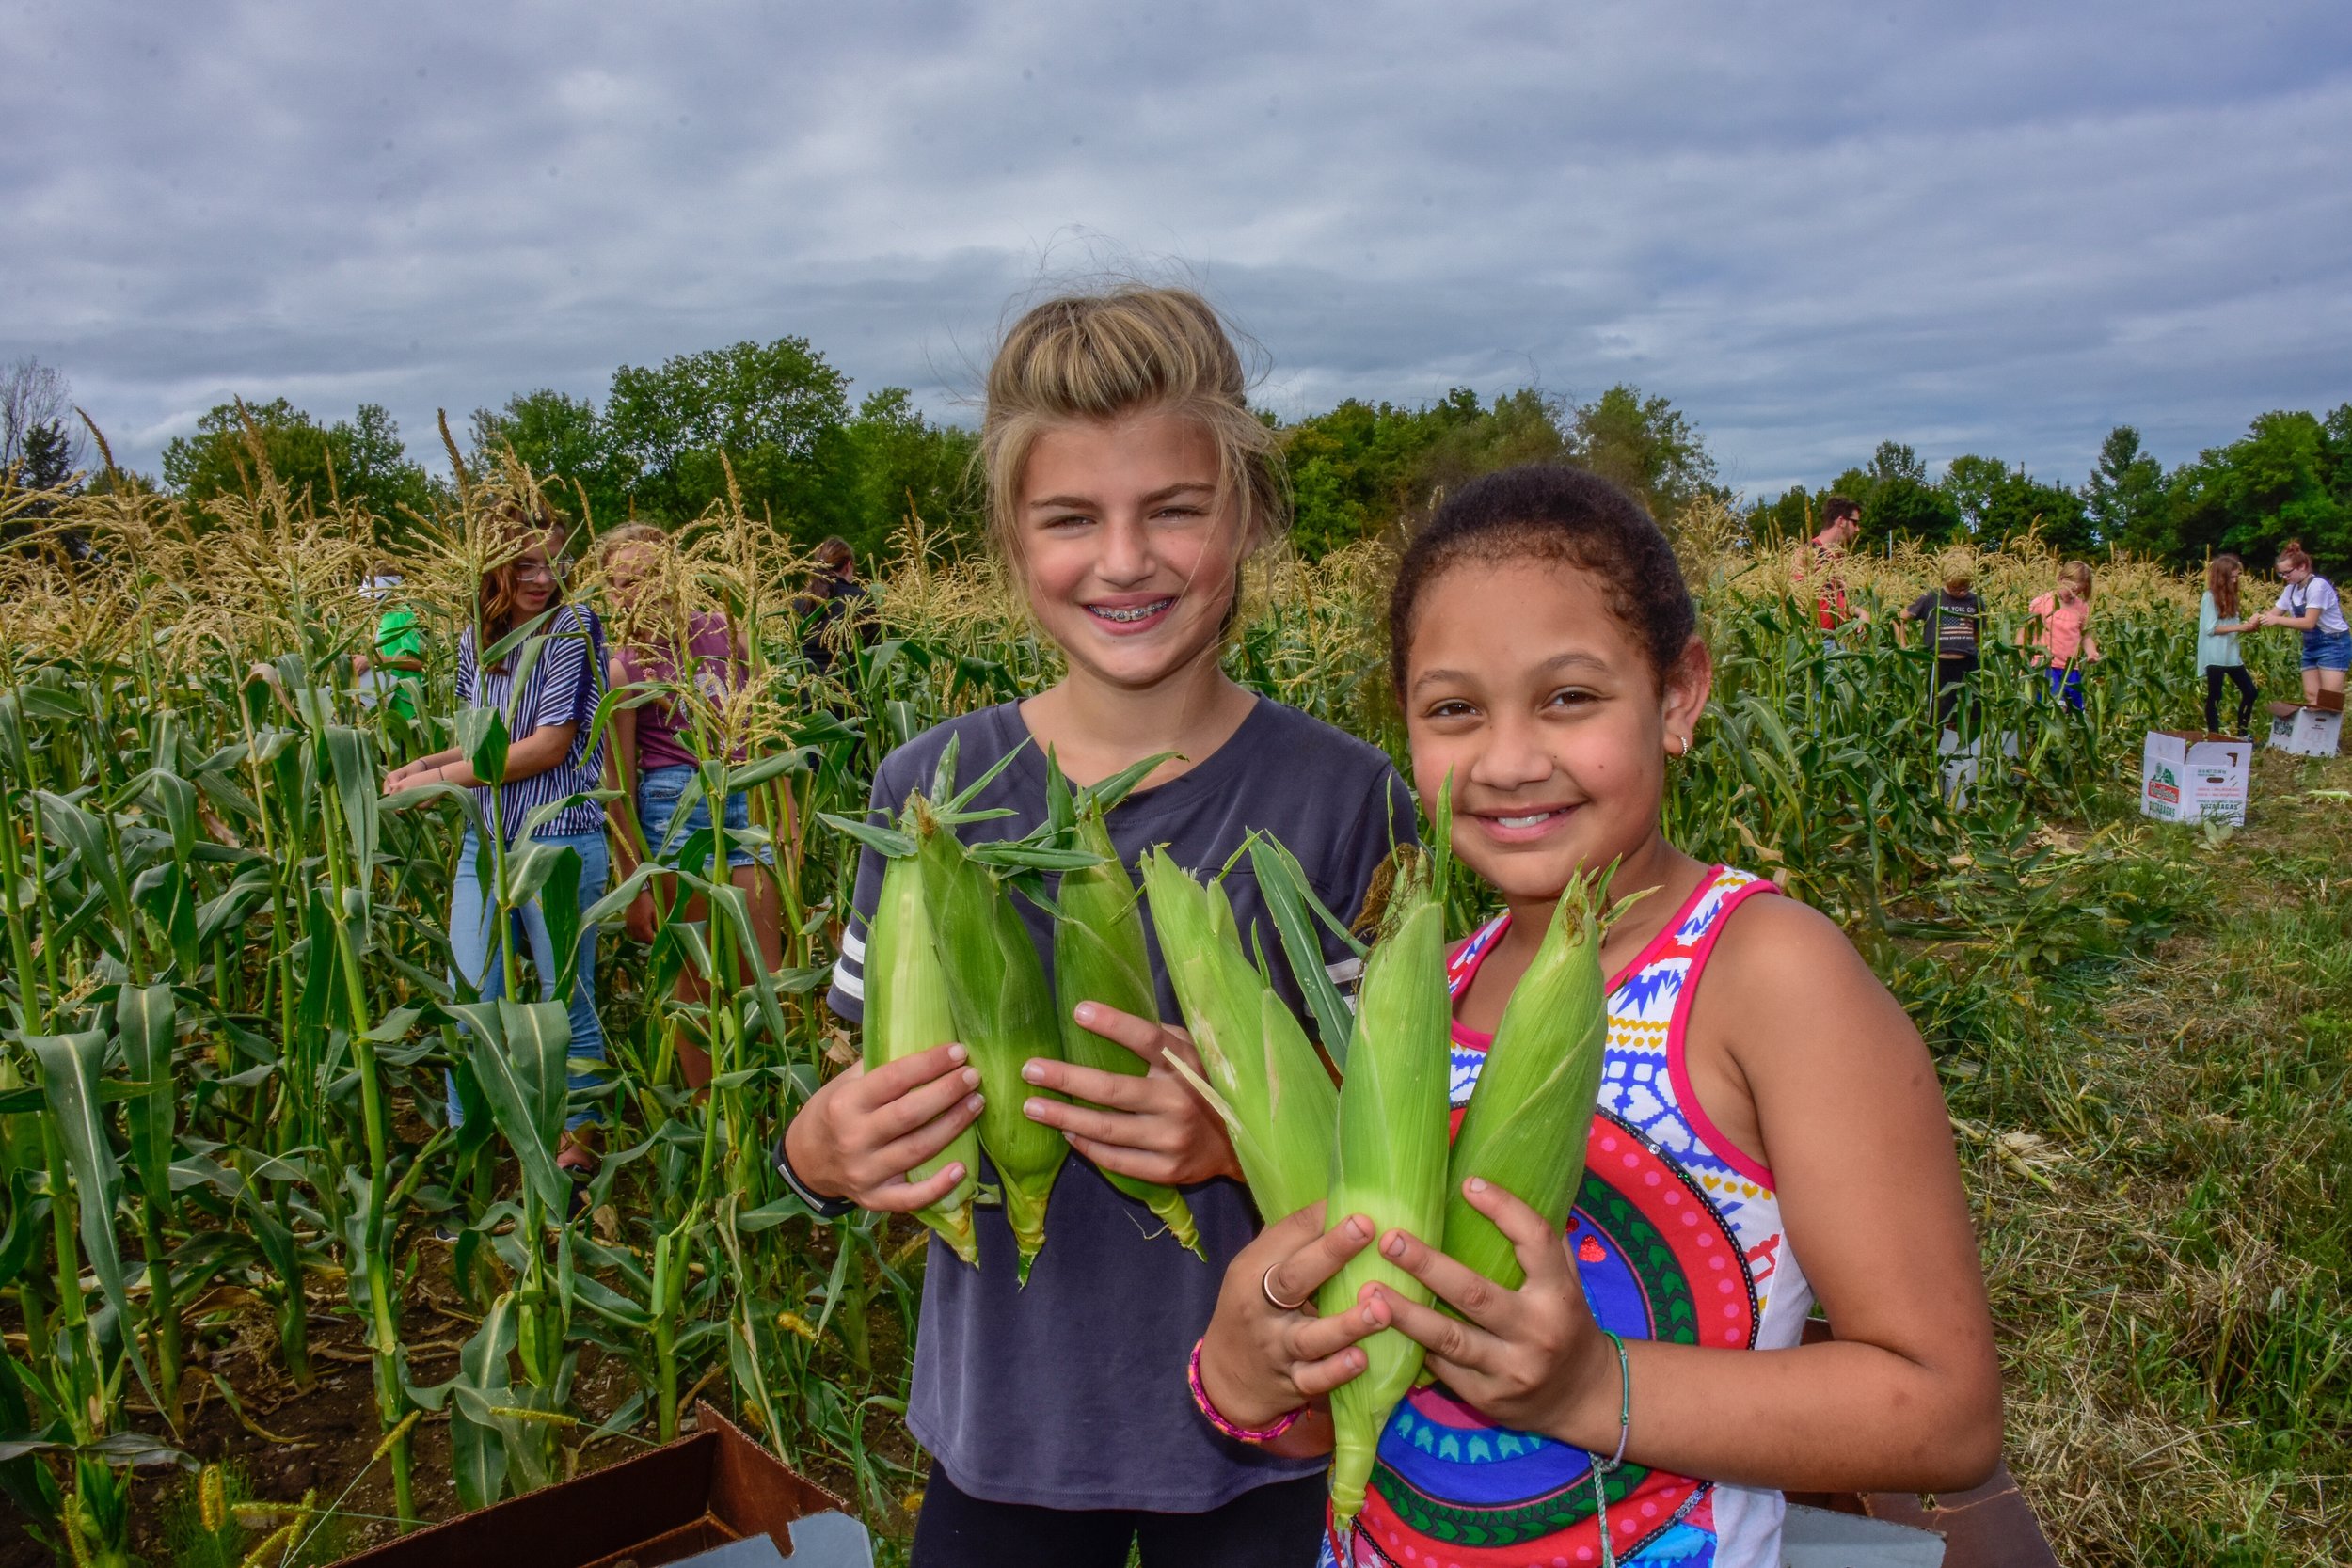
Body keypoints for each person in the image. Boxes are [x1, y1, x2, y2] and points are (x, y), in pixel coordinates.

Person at [1196, 466, 2002, 1568]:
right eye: (1452, 710)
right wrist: (1242, 1379)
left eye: (1568, 696)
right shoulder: (1422, 994)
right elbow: (1364, 1398)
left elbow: (1944, 1411)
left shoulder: (1764, 975)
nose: (1510, 760)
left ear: (1677, 696)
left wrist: (1595, 1384)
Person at [779, 286, 1414, 1566]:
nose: (1125, 561)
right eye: (1071, 518)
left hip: (1276, 1437)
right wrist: (822, 1149)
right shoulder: (930, 790)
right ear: (1012, 541)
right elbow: (859, 1082)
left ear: (1243, 516)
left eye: (1174, 508)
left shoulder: (1347, 799)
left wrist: (1239, 1137)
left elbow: (1400, 1131)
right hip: (1006, 1437)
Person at [385, 496, 611, 1186]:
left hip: (558, 843)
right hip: (484, 846)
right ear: (491, 565)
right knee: (472, 1000)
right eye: (526, 562)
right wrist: (426, 765)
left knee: (566, 1001)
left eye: (552, 560)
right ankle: (472, 1147)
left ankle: (577, 1154)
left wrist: (442, 779)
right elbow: (483, 739)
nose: (543, 575)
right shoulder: (472, 641)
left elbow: (547, 745)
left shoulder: (573, 628)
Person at [597, 522, 787, 1091]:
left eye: (650, 575)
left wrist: (790, 821)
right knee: (698, 985)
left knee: (770, 976)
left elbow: (770, 734)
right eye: (623, 581)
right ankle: (711, 1113)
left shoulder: (728, 633)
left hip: (745, 805)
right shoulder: (624, 666)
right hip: (672, 816)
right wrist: (634, 882)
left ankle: (778, 1103)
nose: (638, 591)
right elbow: (618, 784)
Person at [2249, 540, 2349, 707]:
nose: (2285, 578)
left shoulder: (2317, 587)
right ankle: (2315, 733)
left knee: (2329, 700)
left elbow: (2309, 623)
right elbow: (2273, 613)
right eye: (2281, 574)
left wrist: (2277, 620)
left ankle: (2330, 733)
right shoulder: (2291, 589)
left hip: (2333, 643)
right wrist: (2257, 617)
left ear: (2302, 567)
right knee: (2311, 697)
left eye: (2287, 573)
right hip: (2311, 645)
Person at [1899, 551, 1983, 731]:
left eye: (1966, 586)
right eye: (1956, 587)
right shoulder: (1932, 598)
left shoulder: (1975, 601)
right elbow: (1899, 619)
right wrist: (1903, 648)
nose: (1961, 591)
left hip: (1968, 664)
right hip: (1940, 665)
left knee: (1974, 711)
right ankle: (1934, 750)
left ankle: (1968, 750)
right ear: (1945, 580)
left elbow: (1978, 631)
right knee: (1938, 713)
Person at [2018, 560, 2100, 712]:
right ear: (2061, 579)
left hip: (2071, 668)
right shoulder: (2041, 603)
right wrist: (2020, 664)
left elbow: (2085, 634)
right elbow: (2024, 633)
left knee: (2075, 712)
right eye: (2072, 590)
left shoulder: (2082, 607)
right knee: (2055, 710)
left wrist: (2091, 652)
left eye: (2079, 591)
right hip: (2046, 667)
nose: (2074, 594)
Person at [350, 572, 426, 725]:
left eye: (375, 597)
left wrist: (371, 660)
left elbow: (416, 662)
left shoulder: (402, 614)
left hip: (404, 707)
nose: (369, 603)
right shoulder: (385, 616)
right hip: (387, 702)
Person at [2198, 554, 2259, 736]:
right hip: (2215, 655)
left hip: (2231, 654)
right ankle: (2214, 736)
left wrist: (2248, 627)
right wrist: (2242, 627)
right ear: (2221, 577)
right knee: (2215, 697)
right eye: (2232, 576)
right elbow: (2210, 628)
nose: (2235, 579)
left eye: (2237, 576)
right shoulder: (2209, 597)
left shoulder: (2231, 597)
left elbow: (2230, 625)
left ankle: (2243, 733)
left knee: (2251, 692)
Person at [795, 535, 872, 673]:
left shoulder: (798, 602)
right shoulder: (860, 600)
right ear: (848, 565)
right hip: (854, 691)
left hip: (808, 691)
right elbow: (879, 646)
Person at [1798, 497, 1867, 632]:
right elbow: (1796, 600)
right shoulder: (1809, 552)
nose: (1858, 529)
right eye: (1855, 523)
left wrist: (1861, 613)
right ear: (1841, 521)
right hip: (1819, 639)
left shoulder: (1838, 556)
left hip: (1839, 637)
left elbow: (1836, 603)